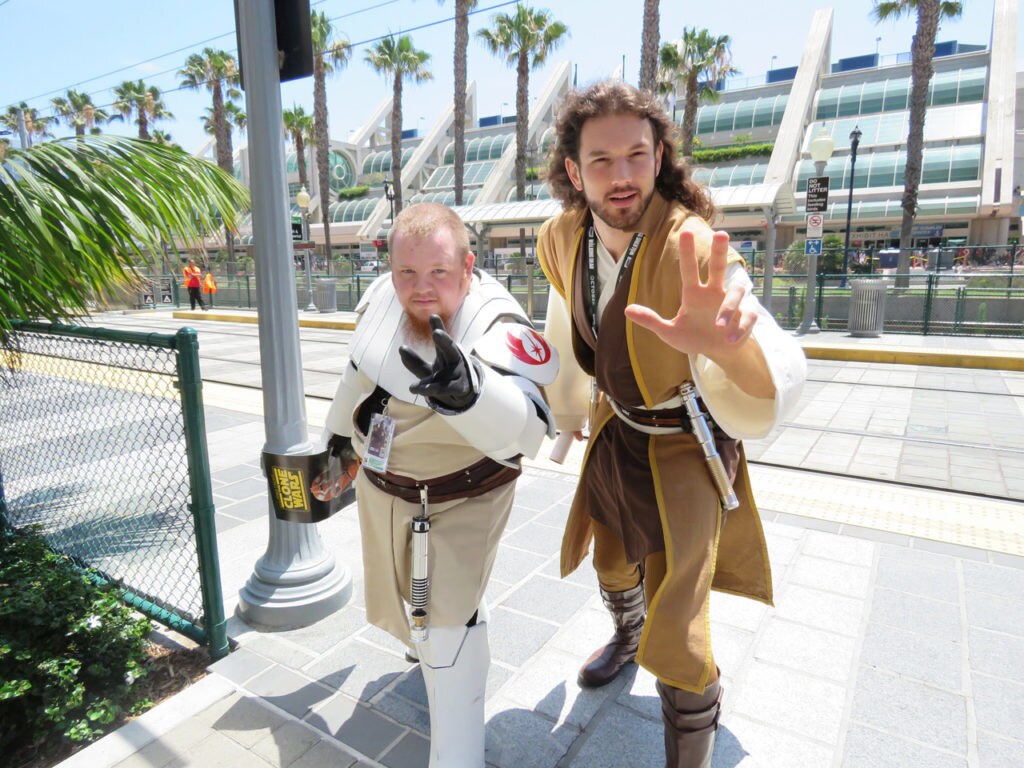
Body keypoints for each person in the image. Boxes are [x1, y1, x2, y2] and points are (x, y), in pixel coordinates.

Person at [536, 80, 807, 767]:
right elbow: (564, 317)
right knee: (610, 558)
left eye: (636, 155)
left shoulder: (690, 242)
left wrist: (727, 345)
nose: (621, 176)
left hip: (684, 444)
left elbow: (767, 366)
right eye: (601, 160)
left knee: (680, 618)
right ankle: (624, 636)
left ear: (659, 157)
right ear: (574, 171)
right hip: (613, 426)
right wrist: (566, 406)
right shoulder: (559, 235)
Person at [321, 202, 558, 767]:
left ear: (468, 266)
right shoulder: (383, 300)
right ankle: (434, 645)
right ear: (390, 267)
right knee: (412, 606)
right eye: (407, 272)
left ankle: (458, 756)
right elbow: (359, 371)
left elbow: (529, 429)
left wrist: (472, 393)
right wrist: (334, 443)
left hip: (459, 497)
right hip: (384, 489)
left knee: (447, 625)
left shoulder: (494, 321)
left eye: (438, 272)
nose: (421, 288)